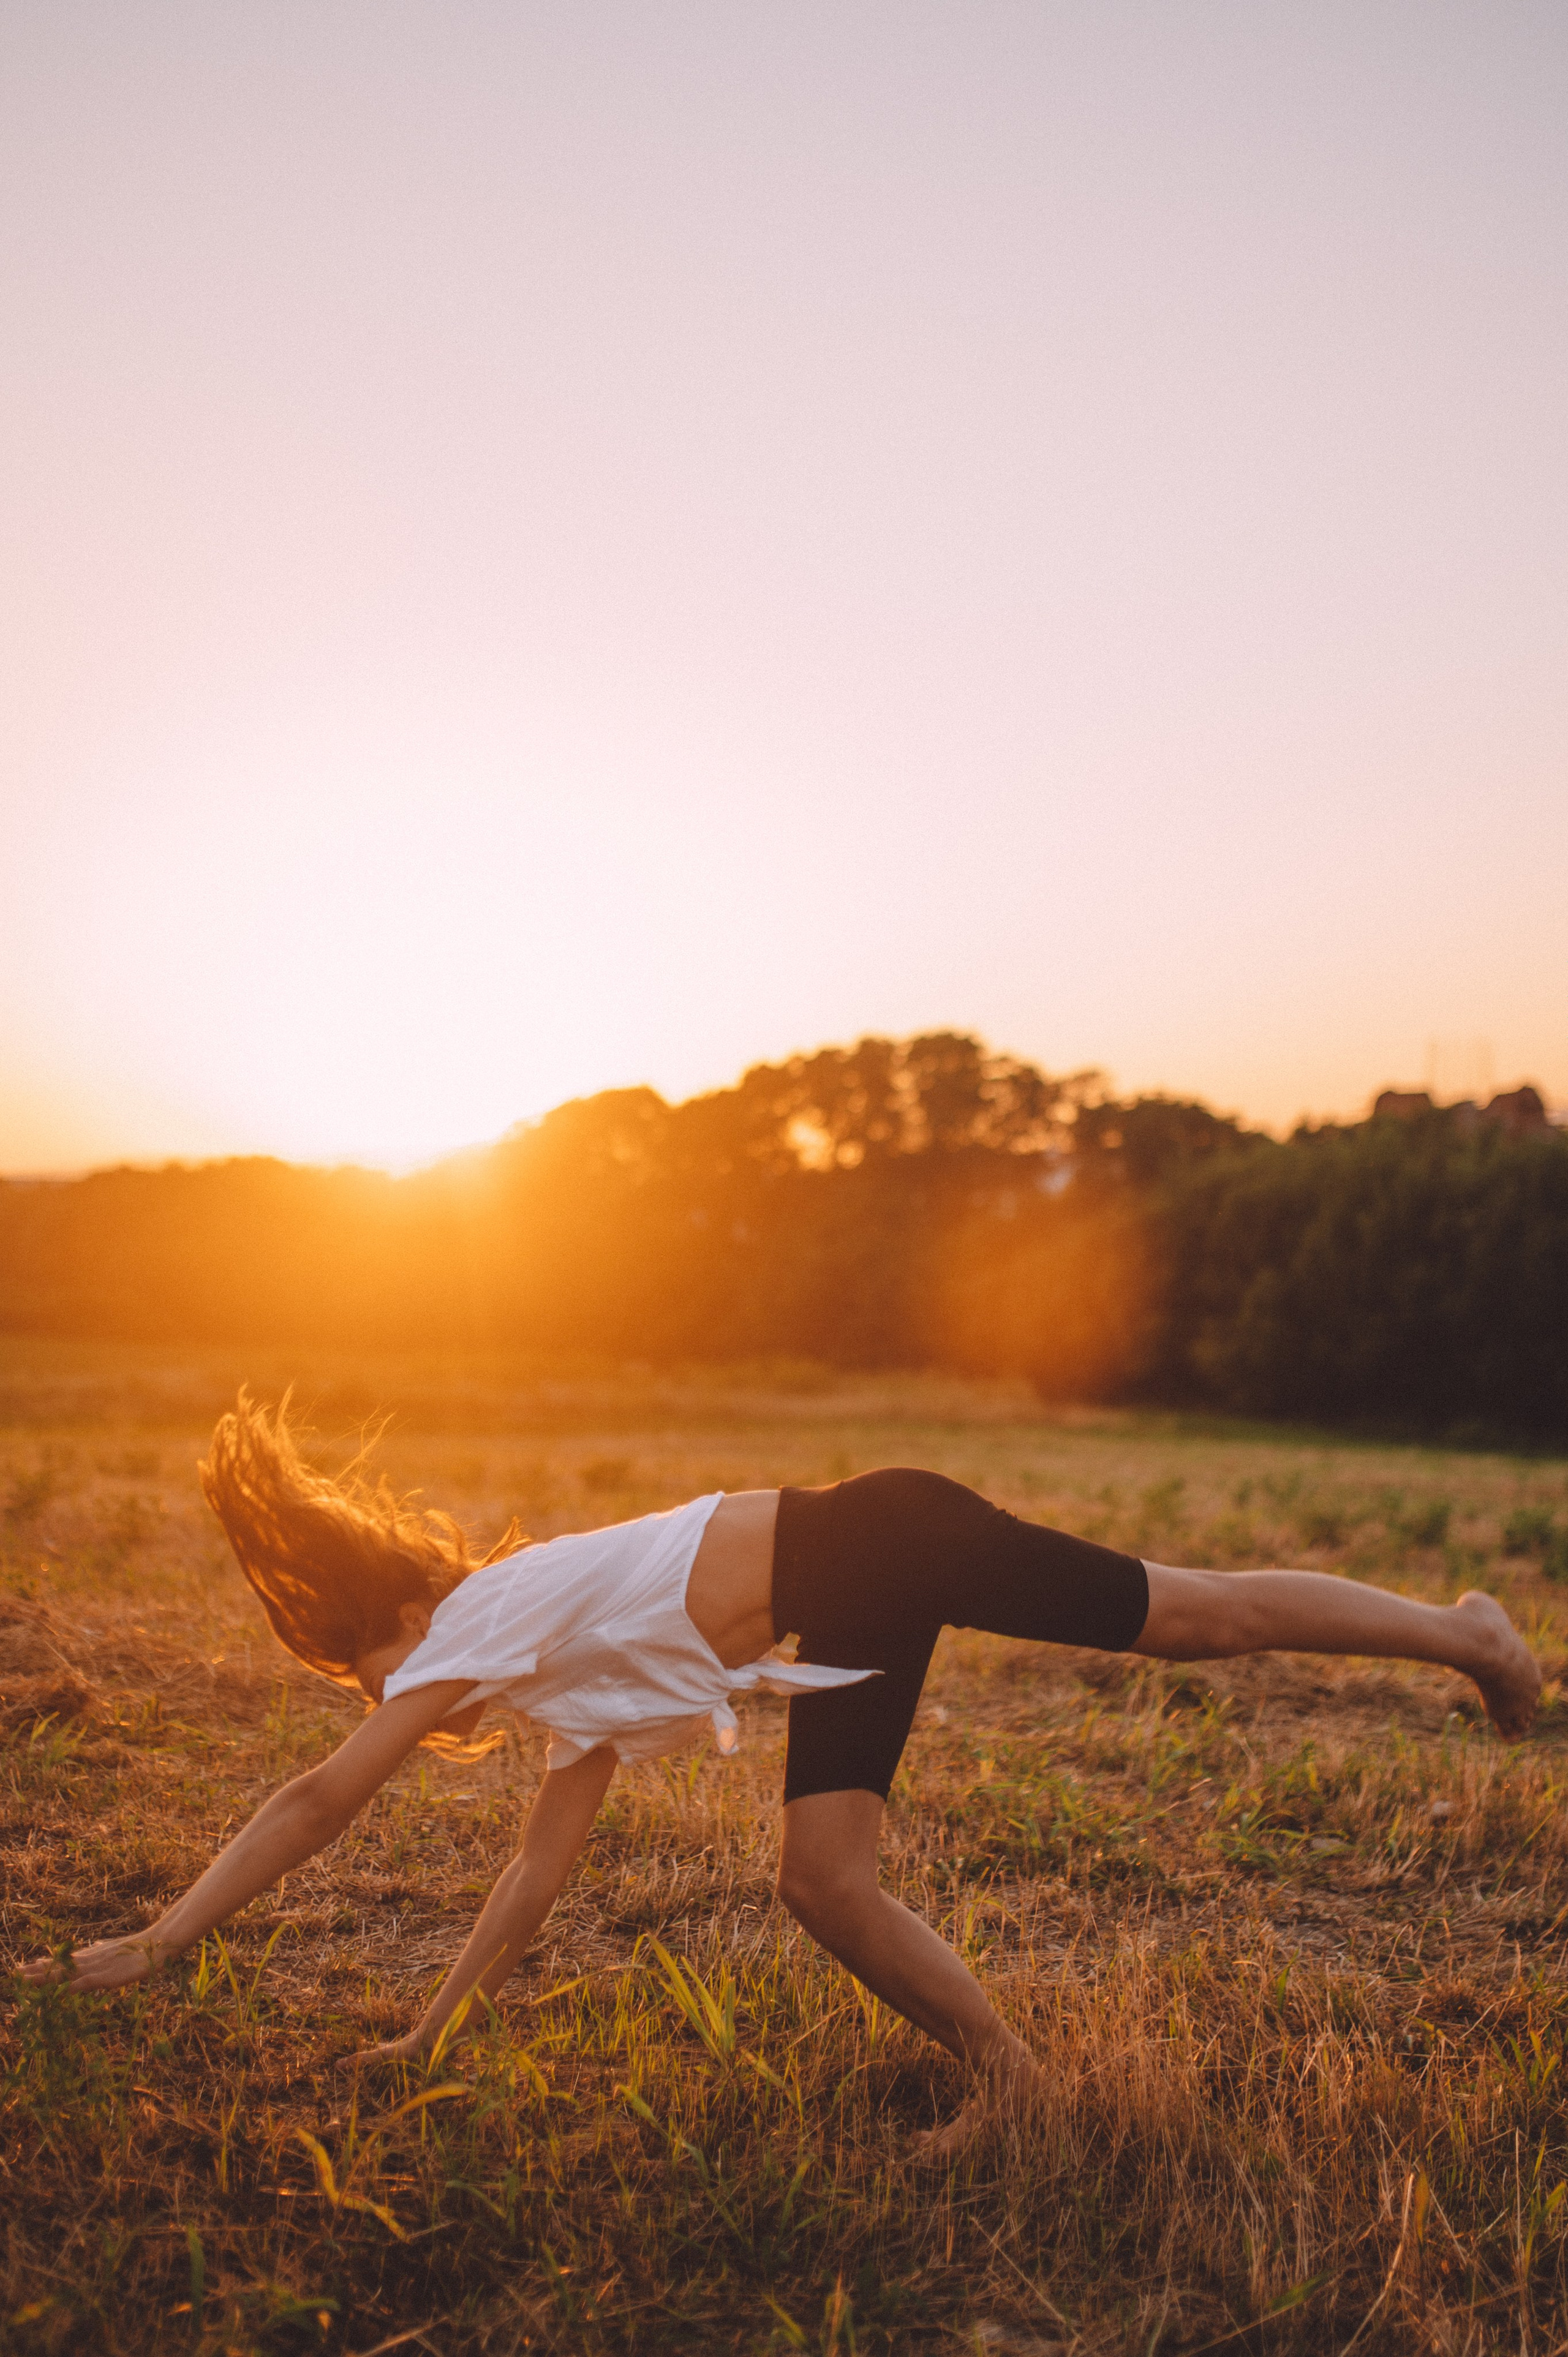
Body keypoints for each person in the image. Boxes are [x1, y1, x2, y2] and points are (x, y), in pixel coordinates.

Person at [20, 1395, 1540, 2151]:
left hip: (876, 1534)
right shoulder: (550, 1664)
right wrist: (429, 2032)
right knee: (821, 1880)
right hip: (853, 1582)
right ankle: (1015, 2082)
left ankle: (1465, 1629)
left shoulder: (476, 1618)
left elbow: (319, 1799)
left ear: (405, 1622)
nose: (397, 1709)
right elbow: (536, 1871)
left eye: (371, 1680)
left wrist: (165, 1936)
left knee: (1199, 1618)